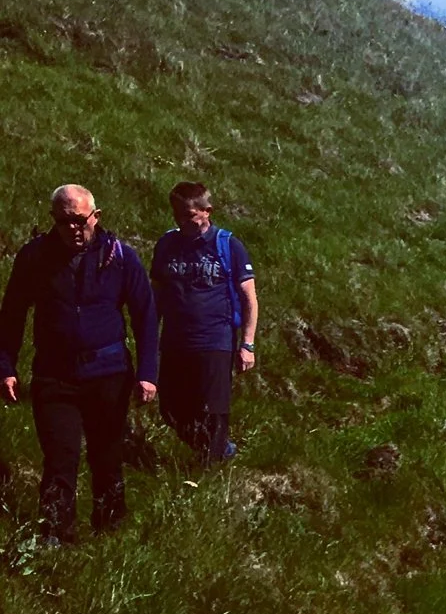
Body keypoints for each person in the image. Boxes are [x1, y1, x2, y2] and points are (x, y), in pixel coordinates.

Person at [0, 185, 159, 542]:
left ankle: (110, 534)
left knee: (107, 457)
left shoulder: (120, 257)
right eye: (63, 222)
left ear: (95, 217)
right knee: (60, 459)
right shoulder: (35, 258)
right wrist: (6, 365)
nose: (73, 229)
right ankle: (55, 537)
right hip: (55, 377)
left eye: (79, 221)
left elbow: (145, 316)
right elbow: (11, 314)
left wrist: (148, 373)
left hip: (109, 375)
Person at [150, 182, 257, 462]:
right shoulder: (167, 245)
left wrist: (247, 344)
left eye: (189, 215)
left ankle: (210, 468)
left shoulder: (228, 245)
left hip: (215, 340)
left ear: (207, 211)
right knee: (171, 409)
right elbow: (156, 295)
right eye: (177, 215)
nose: (183, 221)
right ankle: (216, 450)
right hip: (174, 341)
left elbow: (249, 298)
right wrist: (149, 336)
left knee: (213, 410)